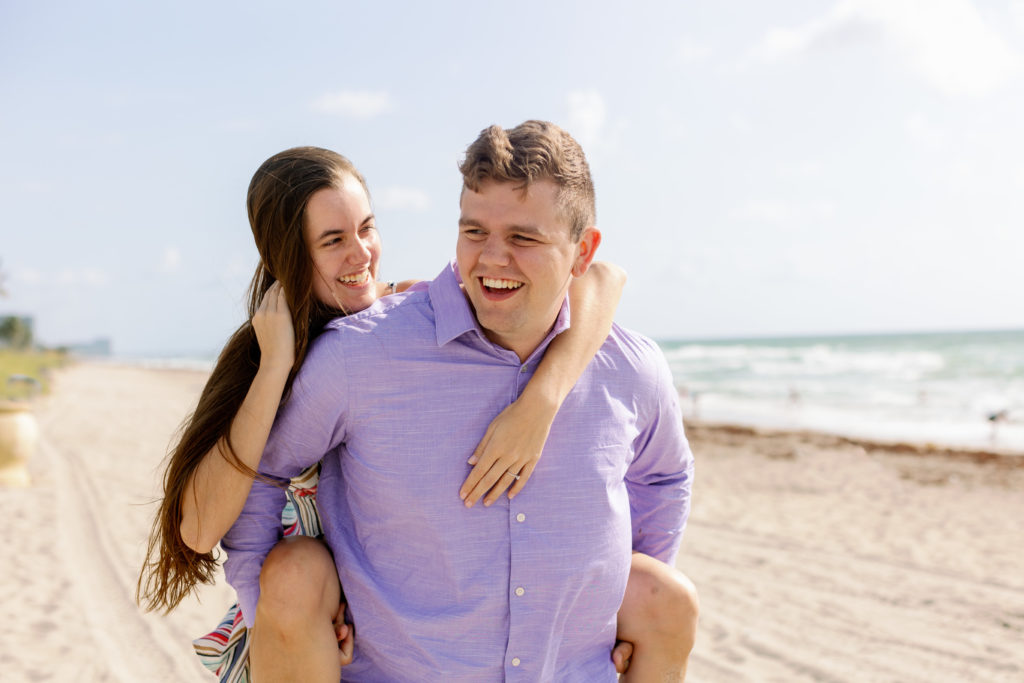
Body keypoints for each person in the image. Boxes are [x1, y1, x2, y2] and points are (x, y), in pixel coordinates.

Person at [137, 144, 697, 680]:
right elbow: (211, 521)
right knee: (296, 572)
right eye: (332, 240)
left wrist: (543, 399)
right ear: (286, 254)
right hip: (315, 604)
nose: (360, 255)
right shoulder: (299, 353)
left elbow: (602, 279)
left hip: (359, 582)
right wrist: (274, 366)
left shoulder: (408, 303)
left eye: (367, 227)